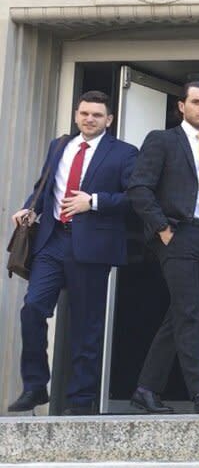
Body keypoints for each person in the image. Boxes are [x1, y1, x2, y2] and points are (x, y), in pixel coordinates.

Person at [7, 91, 137, 416]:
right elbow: (45, 185)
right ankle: (36, 385)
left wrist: (92, 201)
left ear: (109, 120)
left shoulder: (124, 153)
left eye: (96, 115)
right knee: (33, 309)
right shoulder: (60, 145)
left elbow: (135, 198)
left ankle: (80, 402)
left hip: (92, 246)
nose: (89, 119)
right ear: (76, 115)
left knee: (85, 325)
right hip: (52, 241)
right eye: (84, 113)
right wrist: (29, 209)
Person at [128, 81, 199, 414]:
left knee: (180, 315)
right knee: (187, 313)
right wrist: (162, 228)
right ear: (182, 106)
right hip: (178, 236)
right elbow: (139, 188)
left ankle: (145, 389)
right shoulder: (162, 140)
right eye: (198, 102)